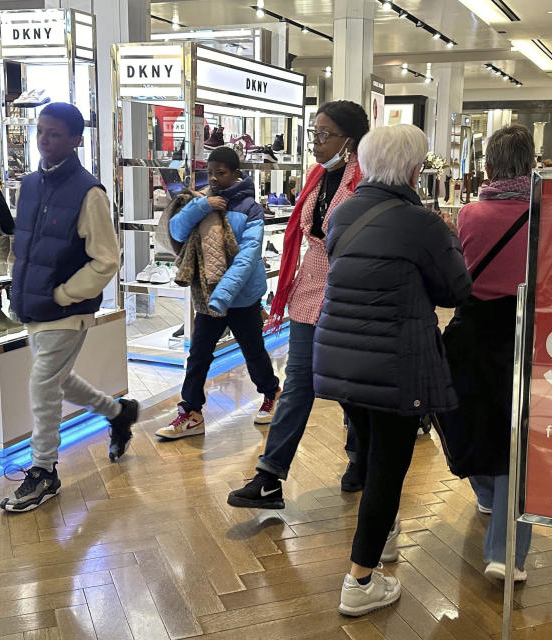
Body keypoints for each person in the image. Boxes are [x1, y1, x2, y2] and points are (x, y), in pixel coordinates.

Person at [313, 124, 471, 616]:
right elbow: (455, 291)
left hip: (339, 355)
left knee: (368, 452)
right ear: (415, 167)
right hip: (396, 362)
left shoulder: (343, 213)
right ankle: (359, 581)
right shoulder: (421, 223)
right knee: (388, 467)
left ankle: (380, 542)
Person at [227, 100, 370, 507]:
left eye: (324, 135)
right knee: (299, 381)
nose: (316, 143)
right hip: (309, 288)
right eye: (314, 134)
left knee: (348, 385)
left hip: (348, 292)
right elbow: (306, 230)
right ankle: (269, 476)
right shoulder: (316, 176)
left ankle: (360, 456)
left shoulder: (367, 179)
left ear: (350, 140)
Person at [0, 103, 139, 513]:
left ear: (77, 140)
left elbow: (107, 259)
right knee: (57, 378)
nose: (45, 139)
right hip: (32, 305)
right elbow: (23, 245)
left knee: (43, 384)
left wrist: (64, 294)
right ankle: (118, 412)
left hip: (67, 309)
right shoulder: (28, 185)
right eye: (41, 131)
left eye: (55, 133)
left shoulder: (89, 192)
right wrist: (18, 287)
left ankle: (44, 470)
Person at [154, 146, 281, 439]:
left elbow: (248, 256)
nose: (214, 178)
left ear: (236, 174)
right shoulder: (202, 200)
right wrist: (203, 206)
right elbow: (176, 230)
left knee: (253, 351)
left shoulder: (251, 208)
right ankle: (191, 412)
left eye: (221, 173)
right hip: (208, 296)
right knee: (198, 354)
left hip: (242, 296)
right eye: (210, 173)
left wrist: (223, 295)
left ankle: (271, 392)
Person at [453, 123, 534, 582]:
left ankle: (486, 493)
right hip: (530, 331)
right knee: (517, 439)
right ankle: (507, 553)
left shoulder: (470, 214)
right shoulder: (548, 213)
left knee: (474, 419)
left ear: (487, 164)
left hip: (477, 330)